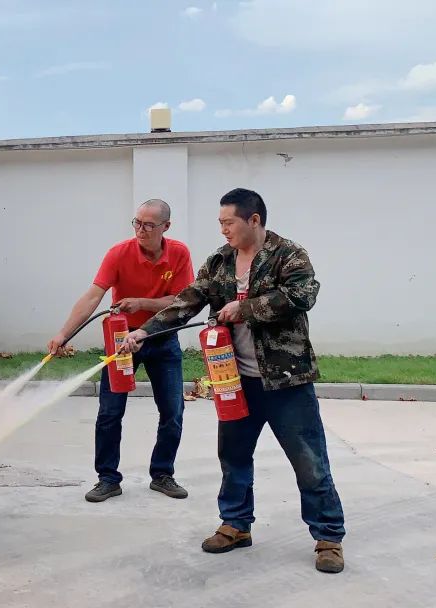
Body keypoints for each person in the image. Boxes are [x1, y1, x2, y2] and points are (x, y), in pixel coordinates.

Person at [122, 187, 346, 574]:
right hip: (235, 380)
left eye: (229, 222)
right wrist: (146, 331)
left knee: (309, 461)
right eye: (221, 223)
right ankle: (236, 525)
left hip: (285, 381)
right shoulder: (220, 262)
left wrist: (244, 308)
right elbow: (186, 301)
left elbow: (302, 295)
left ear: (253, 220)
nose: (223, 230)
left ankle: (328, 537)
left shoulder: (288, 254)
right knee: (234, 457)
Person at [48, 199, 194, 503]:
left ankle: (162, 474)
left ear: (166, 227)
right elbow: (92, 297)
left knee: (173, 412)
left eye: (149, 225)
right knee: (110, 412)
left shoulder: (179, 253)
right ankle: (107, 478)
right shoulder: (119, 253)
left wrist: (142, 303)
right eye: (137, 223)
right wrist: (64, 333)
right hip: (122, 342)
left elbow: (183, 301)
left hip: (163, 339)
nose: (141, 230)